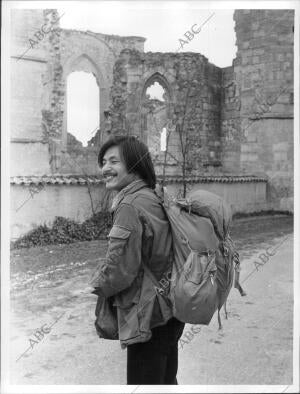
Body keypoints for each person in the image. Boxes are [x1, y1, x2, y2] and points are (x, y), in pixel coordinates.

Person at [90, 135, 185, 385]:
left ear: (134, 165)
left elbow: (121, 268)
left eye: (114, 161)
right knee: (165, 380)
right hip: (172, 308)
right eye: (103, 162)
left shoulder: (129, 205)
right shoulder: (156, 195)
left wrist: (97, 285)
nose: (105, 168)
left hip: (148, 315)